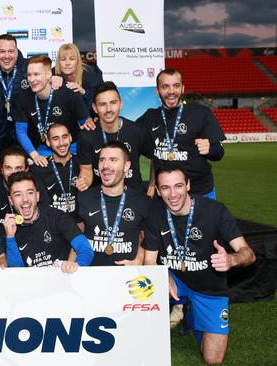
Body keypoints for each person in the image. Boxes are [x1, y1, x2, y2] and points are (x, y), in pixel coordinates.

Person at [143, 162, 255, 365]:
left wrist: (232, 259)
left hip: (208, 286)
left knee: (213, 359)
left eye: (178, 186)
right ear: (158, 191)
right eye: (166, 188)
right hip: (176, 279)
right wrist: (163, 277)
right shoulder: (155, 214)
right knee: (147, 284)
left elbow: (248, 253)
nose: (173, 194)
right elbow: (149, 260)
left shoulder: (215, 211)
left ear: (188, 185)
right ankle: (173, 308)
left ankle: (191, 312)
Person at [136, 68, 225, 199]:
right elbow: (125, 133)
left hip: (199, 193)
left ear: (183, 88)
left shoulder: (201, 113)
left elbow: (219, 153)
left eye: (176, 86)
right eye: (165, 87)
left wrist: (210, 149)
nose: (171, 91)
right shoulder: (150, 117)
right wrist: (97, 120)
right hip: (166, 195)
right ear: (157, 90)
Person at [0, 171, 93, 271]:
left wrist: (76, 266)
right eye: (18, 194)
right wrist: (10, 238)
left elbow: (86, 249)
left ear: (37, 196)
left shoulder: (57, 217)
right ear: (10, 200)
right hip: (31, 285)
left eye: (30, 193)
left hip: (61, 283)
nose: (25, 199)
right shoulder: (9, 228)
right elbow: (16, 272)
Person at [77, 141, 150, 266]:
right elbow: (76, 239)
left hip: (127, 278)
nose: (105, 165)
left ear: (126, 166)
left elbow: (146, 239)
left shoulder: (142, 201)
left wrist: (138, 260)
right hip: (91, 275)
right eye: (102, 160)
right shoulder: (84, 197)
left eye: (113, 160)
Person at [13, 55, 93, 167]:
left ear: (49, 75)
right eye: (29, 75)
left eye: (36, 74)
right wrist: (35, 155)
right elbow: (21, 131)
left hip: (72, 147)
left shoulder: (69, 94)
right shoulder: (23, 97)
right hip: (44, 149)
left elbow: (86, 125)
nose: (31, 79)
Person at [77, 81, 151, 191]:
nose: (108, 109)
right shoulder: (87, 134)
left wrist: (152, 185)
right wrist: (84, 182)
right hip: (101, 200)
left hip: (133, 198)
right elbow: (86, 170)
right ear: (95, 108)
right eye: (102, 104)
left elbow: (156, 158)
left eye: (113, 103)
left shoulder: (136, 130)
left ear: (121, 104)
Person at [31, 123, 91, 219]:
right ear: (48, 142)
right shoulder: (39, 169)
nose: (61, 143)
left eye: (65, 137)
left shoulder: (83, 164)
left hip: (79, 222)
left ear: (70, 138)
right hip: (52, 224)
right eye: (55, 139)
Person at [0, 145, 49, 232]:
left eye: (18, 168)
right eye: (8, 168)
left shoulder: (35, 185)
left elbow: (47, 214)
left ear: (26, 169)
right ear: (1, 169)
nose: (13, 173)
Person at [54, 43, 104, 112]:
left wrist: (84, 93)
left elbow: (101, 104)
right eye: (63, 59)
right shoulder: (51, 75)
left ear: (78, 61)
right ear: (58, 62)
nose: (67, 63)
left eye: (72, 59)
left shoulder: (92, 76)